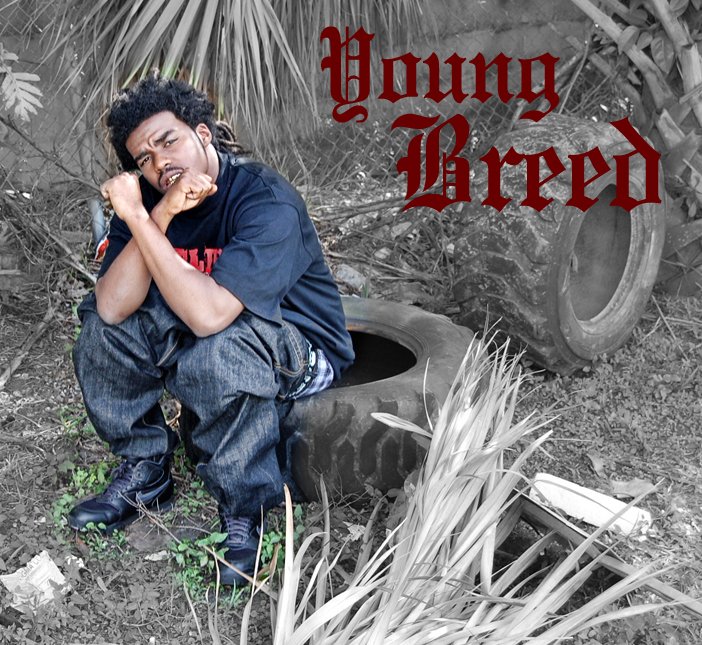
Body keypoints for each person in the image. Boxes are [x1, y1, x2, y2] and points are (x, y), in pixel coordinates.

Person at [68, 73, 355, 585]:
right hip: (211, 328)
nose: (160, 164)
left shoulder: (265, 199)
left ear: (203, 134)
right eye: (143, 159)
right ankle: (146, 469)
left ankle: (248, 507)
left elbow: (210, 316)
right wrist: (153, 216)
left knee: (216, 348)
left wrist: (142, 218)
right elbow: (111, 308)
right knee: (100, 332)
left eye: (168, 141)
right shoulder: (148, 202)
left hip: (299, 347)